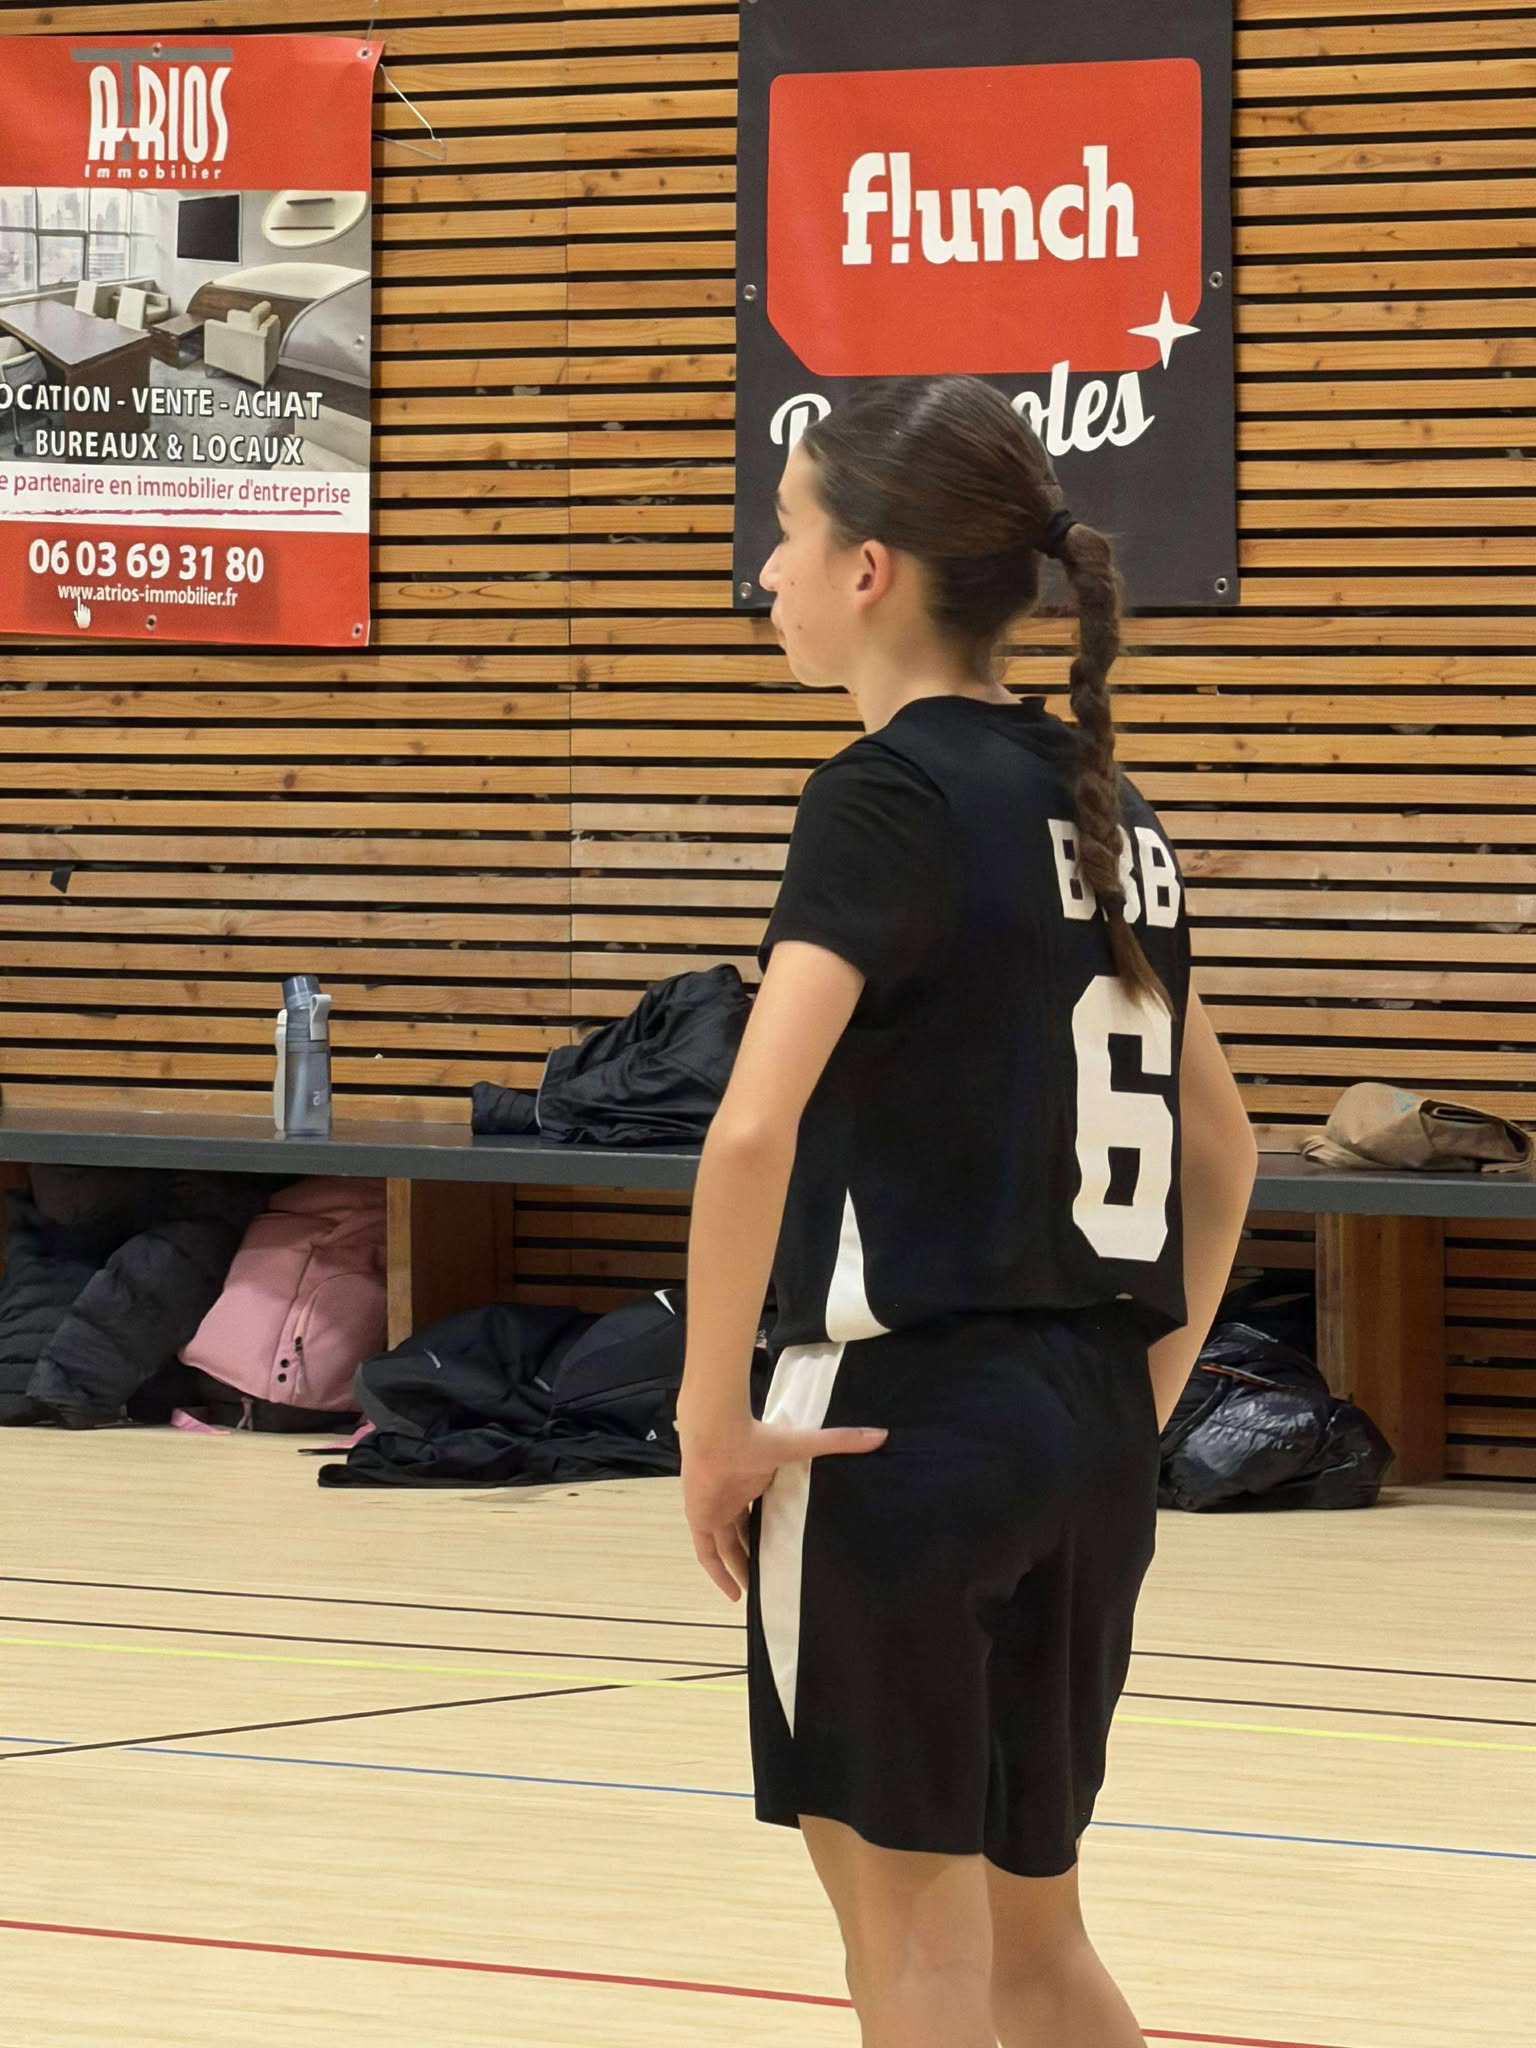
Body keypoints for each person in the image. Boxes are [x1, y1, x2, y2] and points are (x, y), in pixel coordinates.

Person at [677, 376, 1257, 2048]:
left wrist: (709, 1424)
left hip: (896, 1426)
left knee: (917, 1959)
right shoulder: (1109, 803)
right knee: (1035, 1951)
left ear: (870, 569)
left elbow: (749, 1131)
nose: (765, 571)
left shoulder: (881, 793)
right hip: (1082, 1430)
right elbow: (1223, 1151)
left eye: (786, 532)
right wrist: (1136, 1389)